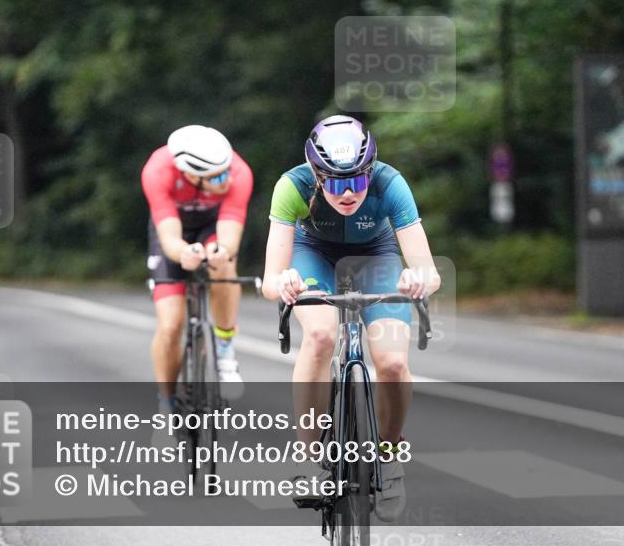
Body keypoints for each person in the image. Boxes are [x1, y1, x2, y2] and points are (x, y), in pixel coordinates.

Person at [261, 115, 440, 521]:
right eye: (336, 183)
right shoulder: (292, 186)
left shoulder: (390, 182)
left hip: (376, 254)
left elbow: (429, 271)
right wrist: (286, 281)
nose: (348, 193)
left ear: (370, 171)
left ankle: (389, 456)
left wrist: (417, 277)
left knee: (393, 362)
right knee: (321, 336)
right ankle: (309, 460)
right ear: (316, 175)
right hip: (313, 254)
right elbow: (271, 279)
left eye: (357, 181)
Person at [141, 125, 253, 414]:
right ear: (190, 175)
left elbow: (230, 231)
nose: (226, 180)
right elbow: (168, 235)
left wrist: (222, 251)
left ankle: (225, 348)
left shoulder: (238, 173)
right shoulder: (158, 171)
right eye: (217, 177)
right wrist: (183, 253)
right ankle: (166, 402)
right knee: (171, 324)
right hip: (174, 229)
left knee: (224, 266)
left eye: (226, 171)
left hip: (212, 226)